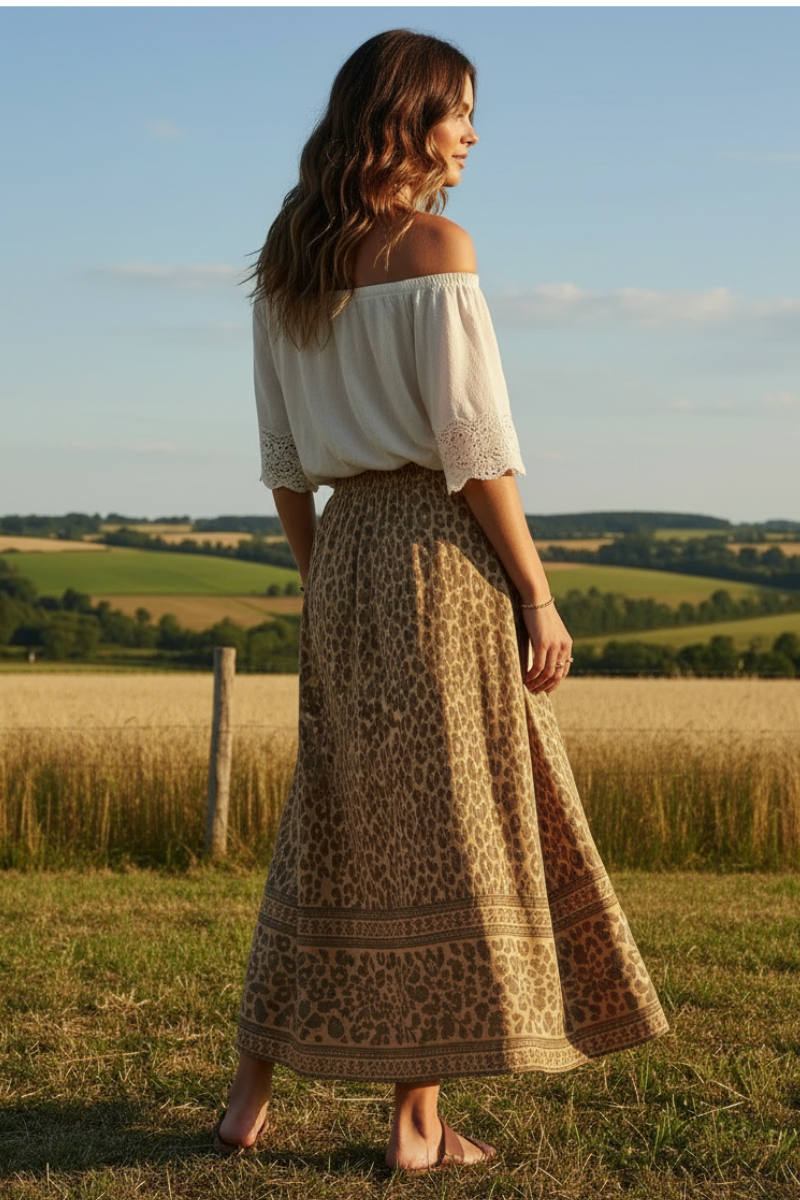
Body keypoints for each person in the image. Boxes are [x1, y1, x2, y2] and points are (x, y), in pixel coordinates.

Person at [214, 29, 668, 1173]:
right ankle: (415, 1124)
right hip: (433, 548)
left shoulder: (288, 258)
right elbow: (473, 450)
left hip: (343, 553)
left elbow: (281, 457)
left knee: (329, 824)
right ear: (408, 118)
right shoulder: (436, 249)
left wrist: (323, 581)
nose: (472, 133)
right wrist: (535, 592)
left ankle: (245, 1100)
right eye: (460, 111)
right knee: (447, 828)